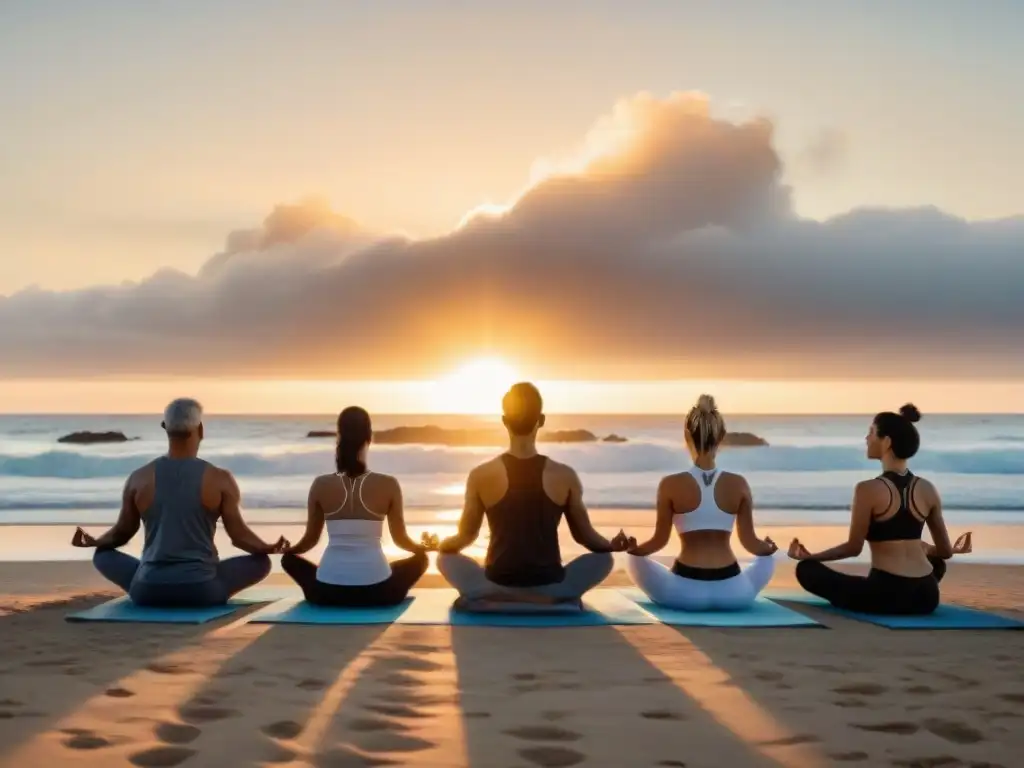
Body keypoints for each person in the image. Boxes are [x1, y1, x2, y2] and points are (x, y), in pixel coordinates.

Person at [71, 398, 284, 607]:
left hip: (147, 591)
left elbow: (121, 534)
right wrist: (267, 547)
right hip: (202, 591)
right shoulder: (220, 479)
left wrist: (96, 542)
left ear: (165, 427)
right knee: (261, 562)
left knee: (103, 554)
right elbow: (239, 537)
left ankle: (149, 577)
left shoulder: (139, 478)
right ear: (200, 429)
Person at [436, 382, 629, 608]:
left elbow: (465, 538)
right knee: (604, 560)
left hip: (496, 582)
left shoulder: (481, 474)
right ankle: (545, 599)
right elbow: (586, 538)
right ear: (542, 420)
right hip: (550, 583)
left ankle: (497, 598)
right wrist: (611, 546)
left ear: (504, 421)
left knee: (445, 559)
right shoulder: (565, 475)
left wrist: (440, 544)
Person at [789, 403, 972, 615]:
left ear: (886, 442)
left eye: (871, 433)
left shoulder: (867, 490)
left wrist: (811, 557)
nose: (866, 439)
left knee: (807, 570)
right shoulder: (927, 488)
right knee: (935, 564)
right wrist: (923, 547)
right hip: (927, 596)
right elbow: (945, 553)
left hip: (887, 595)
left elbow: (853, 548)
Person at [624, 394, 778, 611]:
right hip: (733, 592)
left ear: (686, 435)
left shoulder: (670, 484)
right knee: (768, 558)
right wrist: (768, 547)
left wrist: (634, 549)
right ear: (721, 436)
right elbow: (750, 542)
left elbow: (658, 541)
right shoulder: (738, 483)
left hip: (683, 592)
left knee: (632, 560)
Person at [280, 407, 432, 607]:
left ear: (339, 436)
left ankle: (333, 577)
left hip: (327, 593)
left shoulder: (321, 484)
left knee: (288, 561)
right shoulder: (388, 484)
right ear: (369, 437)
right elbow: (401, 540)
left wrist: (288, 550)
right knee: (420, 560)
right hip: (379, 592)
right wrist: (424, 548)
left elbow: (309, 542)